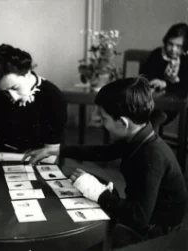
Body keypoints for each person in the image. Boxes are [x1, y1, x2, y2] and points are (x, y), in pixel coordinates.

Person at [23, 77, 187, 249]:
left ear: (123, 123)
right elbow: (103, 152)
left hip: (159, 231)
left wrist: (98, 192)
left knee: (95, 240)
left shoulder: (151, 155)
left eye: (103, 119)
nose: (101, 123)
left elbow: (138, 217)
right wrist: (57, 149)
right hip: (147, 213)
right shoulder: (139, 134)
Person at [0, 44, 67, 162]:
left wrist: (2, 157)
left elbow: (50, 156)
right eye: (5, 92)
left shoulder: (53, 97)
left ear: (27, 72)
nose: (12, 97)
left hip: (37, 162)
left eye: (15, 87)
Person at [140, 22, 188, 130]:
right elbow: (144, 75)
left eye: (179, 46)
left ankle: (152, 134)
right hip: (150, 100)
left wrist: (166, 83)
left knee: (157, 116)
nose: (173, 49)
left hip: (171, 104)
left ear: (185, 47)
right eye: (171, 44)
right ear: (166, 41)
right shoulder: (157, 54)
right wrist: (152, 81)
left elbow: (184, 86)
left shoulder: (185, 61)